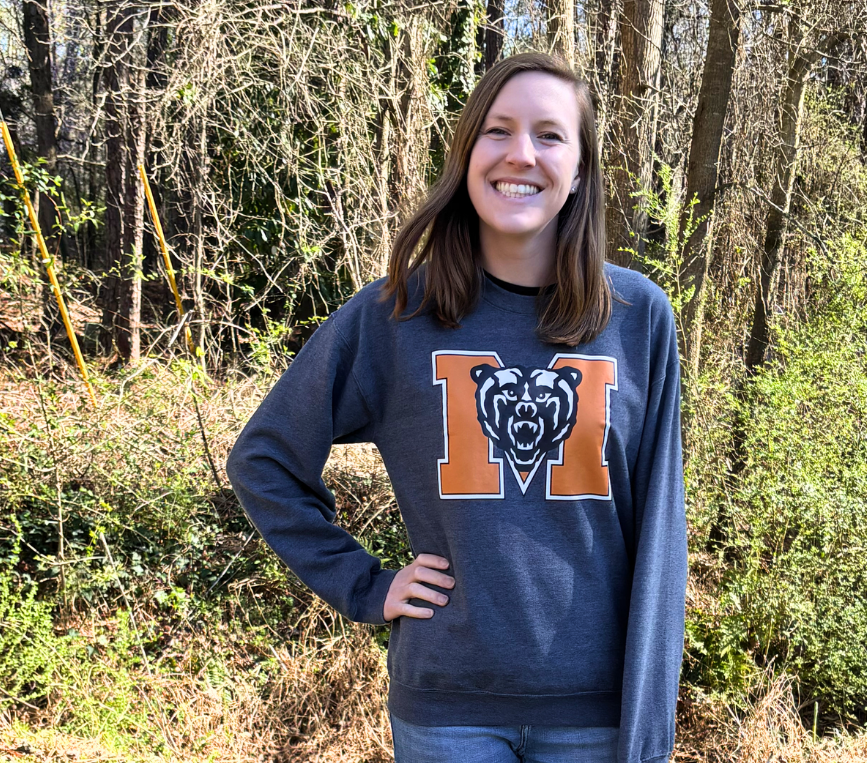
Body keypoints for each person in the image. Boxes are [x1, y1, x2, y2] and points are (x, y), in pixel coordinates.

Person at [226, 51, 688, 763]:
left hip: (594, 713)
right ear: (466, 151)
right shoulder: (395, 317)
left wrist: (647, 724)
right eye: (497, 130)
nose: (521, 154)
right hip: (446, 710)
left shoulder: (636, 317)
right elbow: (264, 459)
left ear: (580, 171)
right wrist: (365, 584)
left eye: (550, 134)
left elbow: (660, 530)